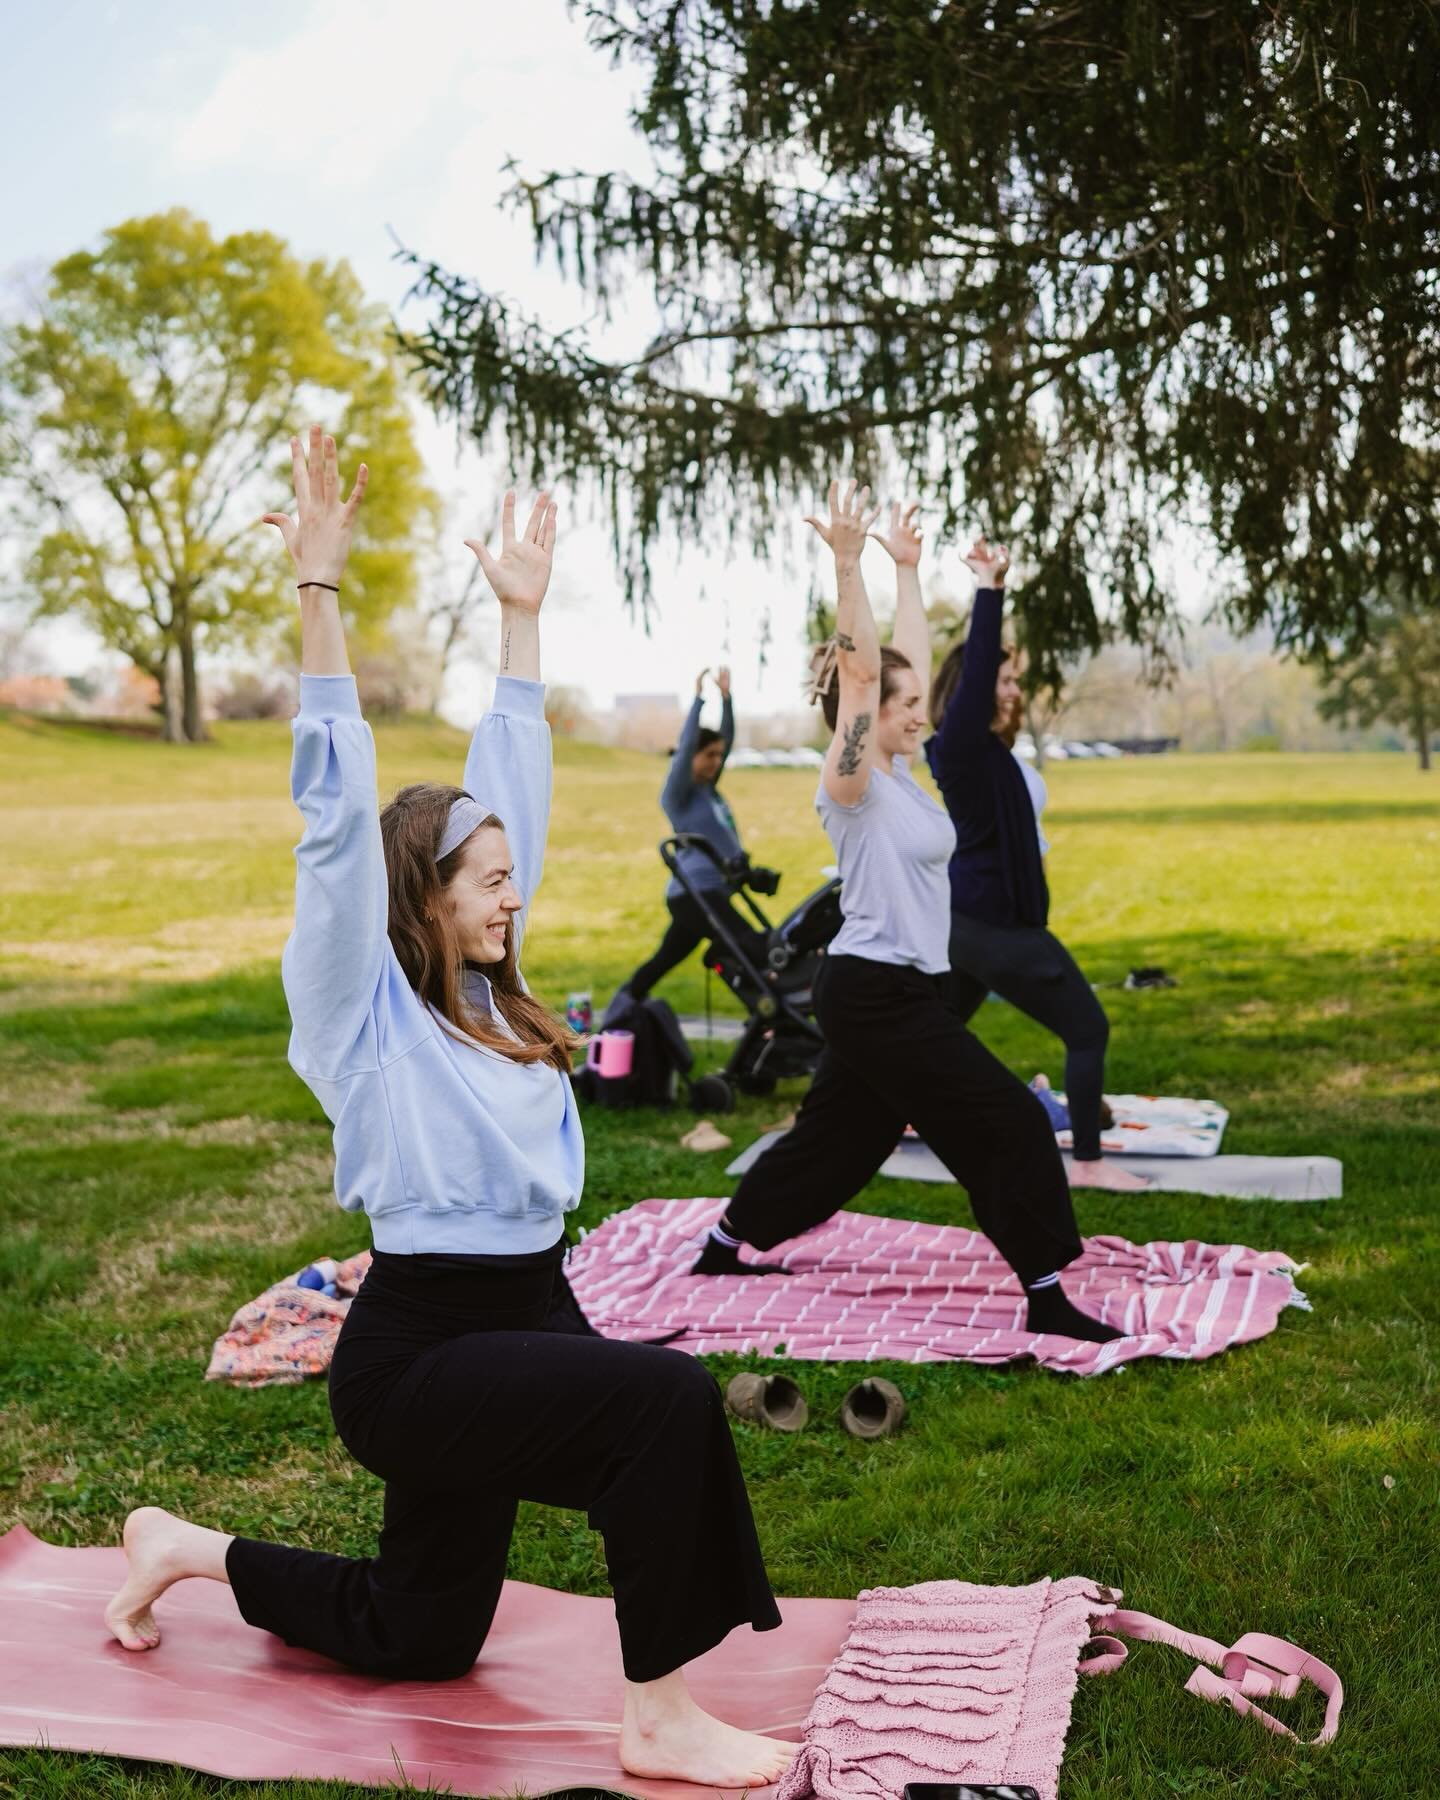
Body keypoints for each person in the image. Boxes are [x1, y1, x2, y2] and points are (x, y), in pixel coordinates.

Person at [103, 427, 791, 1792]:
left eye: (507, 870)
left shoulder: (502, 1000)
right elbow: (333, 822)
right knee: (663, 1410)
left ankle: (183, 1549)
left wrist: (519, 625)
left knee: (425, 1634)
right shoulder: (364, 1026)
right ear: (415, 899)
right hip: (416, 1353)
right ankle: (657, 1717)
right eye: (479, 877)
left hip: (527, 1310)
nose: (509, 888)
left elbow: (512, 794)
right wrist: (318, 597)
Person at [691, 483, 1122, 1346]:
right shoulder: (850, 787)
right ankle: (1045, 1293)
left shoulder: (907, 778)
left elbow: (901, 664)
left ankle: (724, 1241)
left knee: (843, 1142)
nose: (920, 710)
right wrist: (850, 568)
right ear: (865, 718)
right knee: (1003, 1120)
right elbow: (863, 671)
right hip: (874, 991)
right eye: (903, 706)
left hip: (902, 992)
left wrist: (911, 571)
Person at [927, 555, 1144, 1192]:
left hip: (971, 924)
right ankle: (1090, 1165)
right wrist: (991, 590)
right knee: (1087, 1028)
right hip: (993, 926)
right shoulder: (958, 745)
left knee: (930, 1039)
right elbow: (975, 679)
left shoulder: (990, 752)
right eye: (1005, 680)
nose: (1015, 690)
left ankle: (857, 1114)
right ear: (973, 686)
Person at [616, 665, 769, 1006]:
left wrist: (726, 699)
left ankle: (626, 1001)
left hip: (709, 893)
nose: (717, 761)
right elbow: (685, 750)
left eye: (718, 755)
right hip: (695, 894)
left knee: (663, 962)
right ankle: (768, 1017)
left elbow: (726, 742)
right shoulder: (679, 795)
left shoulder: (708, 791)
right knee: (748, 947)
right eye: (709, 755)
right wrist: (700, 699)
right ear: (693, 757)